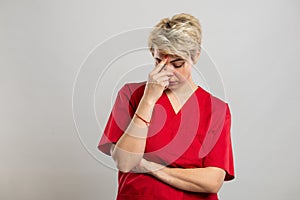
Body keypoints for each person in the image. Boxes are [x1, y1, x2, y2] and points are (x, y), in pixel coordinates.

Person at [98, 13, 235, 200]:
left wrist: (150, 167)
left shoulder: (216, 109)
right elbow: (125, 162)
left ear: (195, 56)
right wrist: (148, 99)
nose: (168, 72)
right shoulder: (131, 95)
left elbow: (212, 181)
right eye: (159, 62)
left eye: (178, 64)